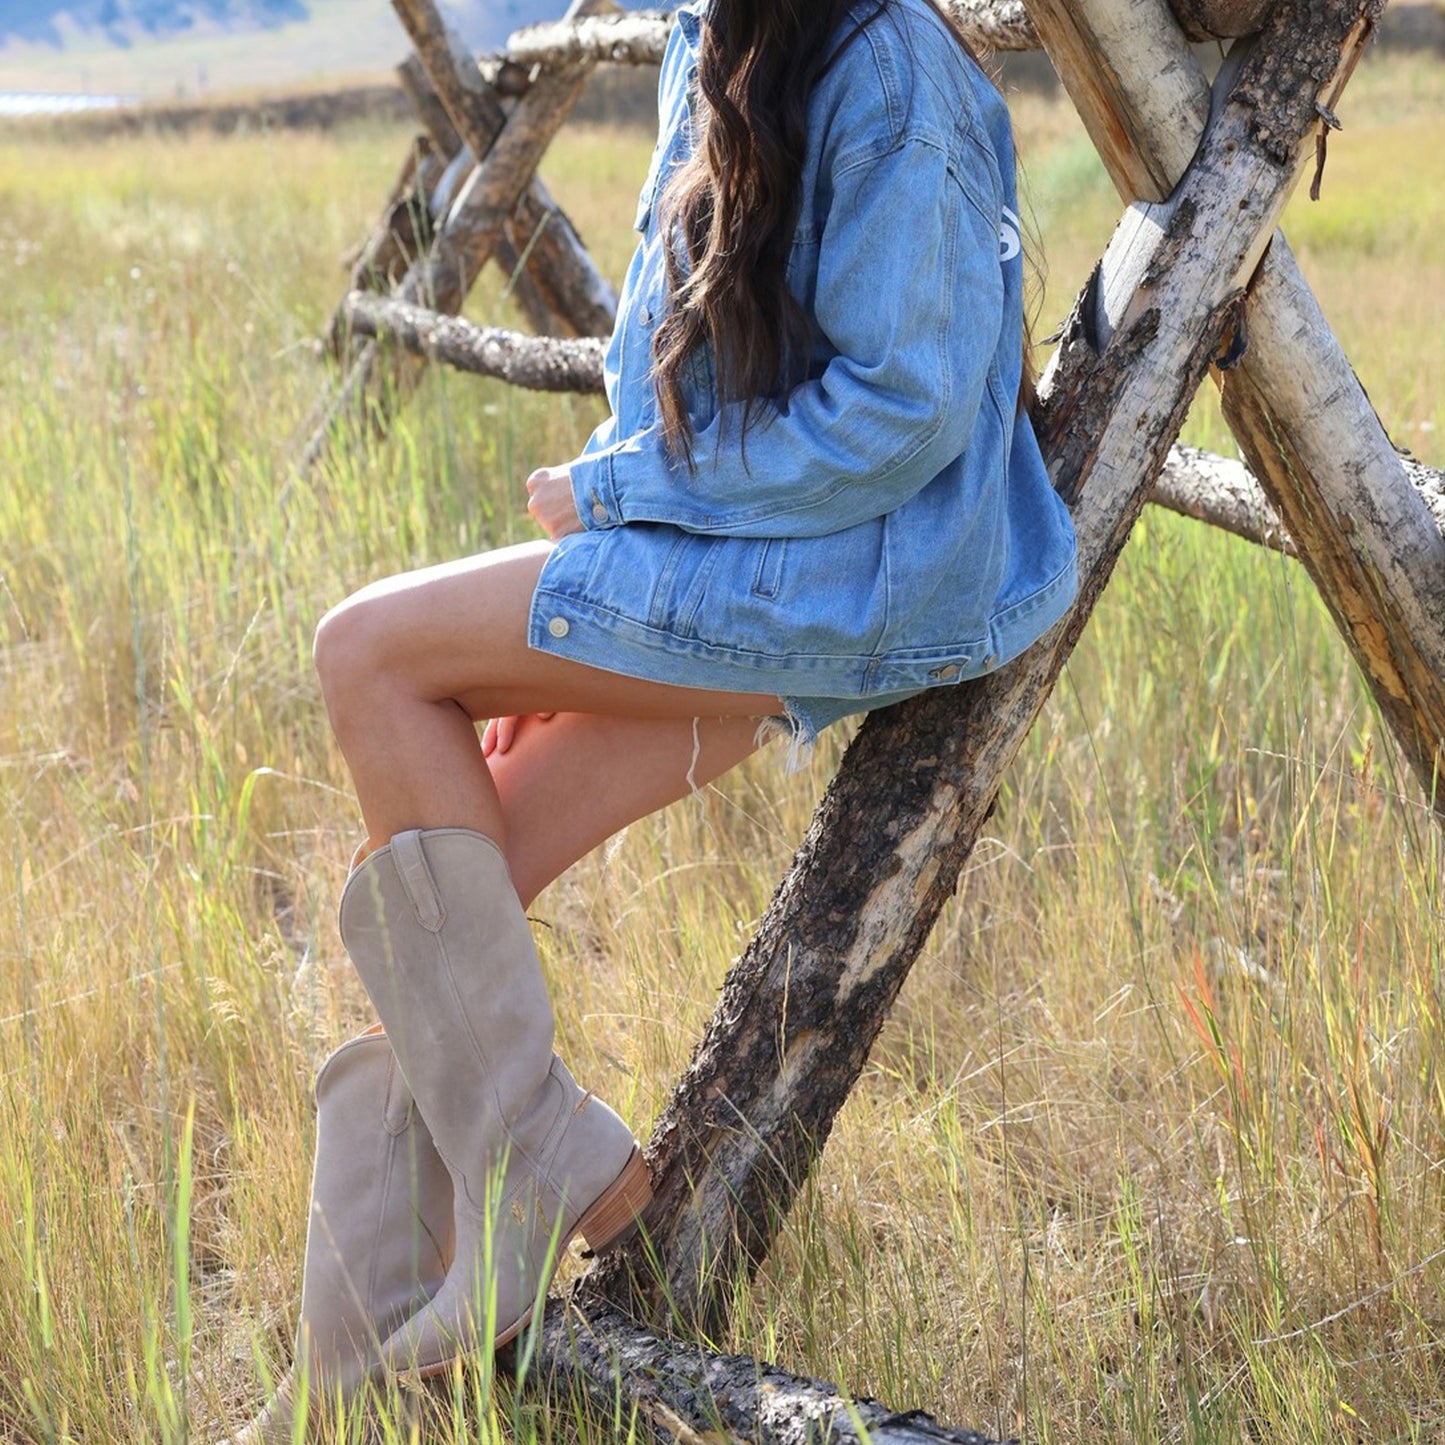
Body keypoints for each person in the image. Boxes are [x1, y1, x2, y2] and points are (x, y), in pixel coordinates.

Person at [233, 0, 1077, 1436]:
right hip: (746, 557)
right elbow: (671, 367)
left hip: (854, 573)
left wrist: (622, 502)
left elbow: (904, 412)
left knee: (366, 653)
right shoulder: (719, 24)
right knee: (448, 901)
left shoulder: (886, 61)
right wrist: (600, 565)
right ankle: (340, 1398)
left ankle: (549, 1155)